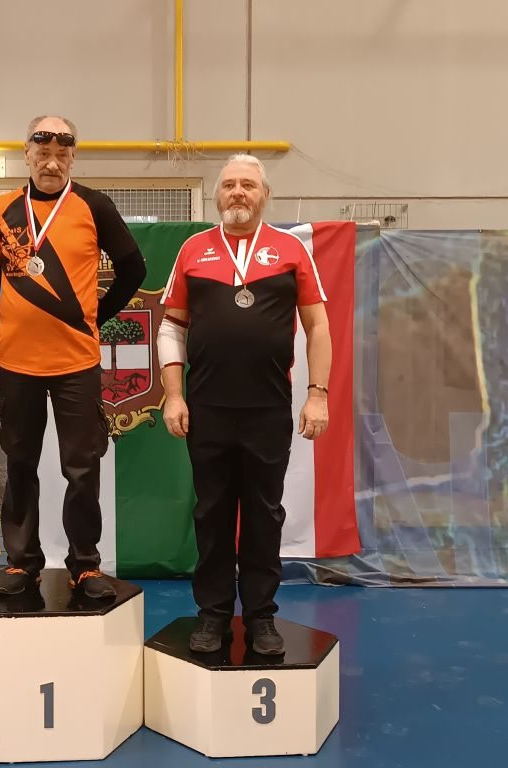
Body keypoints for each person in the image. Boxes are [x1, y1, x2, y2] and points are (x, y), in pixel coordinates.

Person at [157, 154, 332, 654]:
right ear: (217, 195)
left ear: (264, 195)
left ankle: (260, 618)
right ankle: (213, 616)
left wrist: (317, 394)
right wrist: (174, 395)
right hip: (208, 409)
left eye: (248, 185)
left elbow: (318, 325)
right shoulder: (193, 249)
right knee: (211, 515)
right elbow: (171, 327)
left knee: (263, 515)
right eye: (229, 184)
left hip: (268, 410)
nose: (238, 192)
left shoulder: (290, 249)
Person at [0, 116, 147, 599]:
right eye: (42, 153)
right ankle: (21, 564)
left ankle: (85, 566)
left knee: (82, 467)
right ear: (26, 154)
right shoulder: (1, 210)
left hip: (76, 365)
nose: (51, 163)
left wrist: (96, 315)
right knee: (20, 464)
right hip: (14, 364)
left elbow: (134, 268)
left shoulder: (94, 205)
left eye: (61, 155)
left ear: (73, 157)